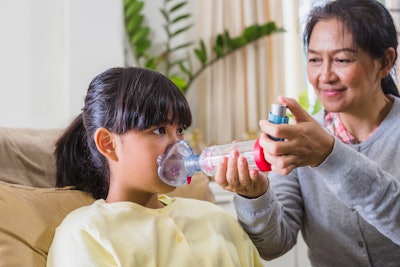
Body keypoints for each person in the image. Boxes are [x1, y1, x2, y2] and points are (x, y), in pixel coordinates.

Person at [214, 0, 400, 266]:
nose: (324, 76)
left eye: (342, 59)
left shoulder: (311, 144)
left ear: (385, 62)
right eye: (314, 59)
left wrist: (329, 155)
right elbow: (274, 244)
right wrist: (254, 196)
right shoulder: (299, 142)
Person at [46, 67, 263, 267]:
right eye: (159, 130)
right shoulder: (85, 233)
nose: (178, 145)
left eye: (180, 130)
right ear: (108, 144)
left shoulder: (216, 219)